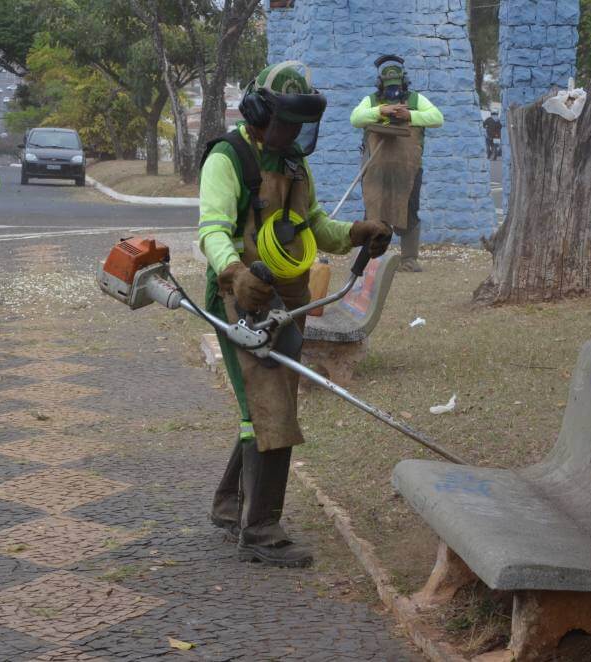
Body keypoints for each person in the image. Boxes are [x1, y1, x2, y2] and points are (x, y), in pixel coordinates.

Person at [199, 61, 392, 568]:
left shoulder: (294, 164)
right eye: (285, 122)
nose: (293, 134)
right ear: (259, 112)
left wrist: (355, 233)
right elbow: (212, 230)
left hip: (292, 299)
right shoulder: (228, 158)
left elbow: (313, 225)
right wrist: (235, 271)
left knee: (271, 401)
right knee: (269, 403)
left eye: (301, 124)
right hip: (242, 296)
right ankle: (260, 529)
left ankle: (230, 504)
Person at [350, 55, 443, 272]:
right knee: (373, 212)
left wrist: (409, 115)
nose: (393, 91)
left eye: (397, 86)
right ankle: (368, 262)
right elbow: (355, 119)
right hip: (376, 170)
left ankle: (409, 259)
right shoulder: (371, 101)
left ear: (403, 82)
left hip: (408, 171)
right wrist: (379, 111)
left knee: (409, 211)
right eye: (389, 86)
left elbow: (437, 118)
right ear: (381, 84)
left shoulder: (416, 100)